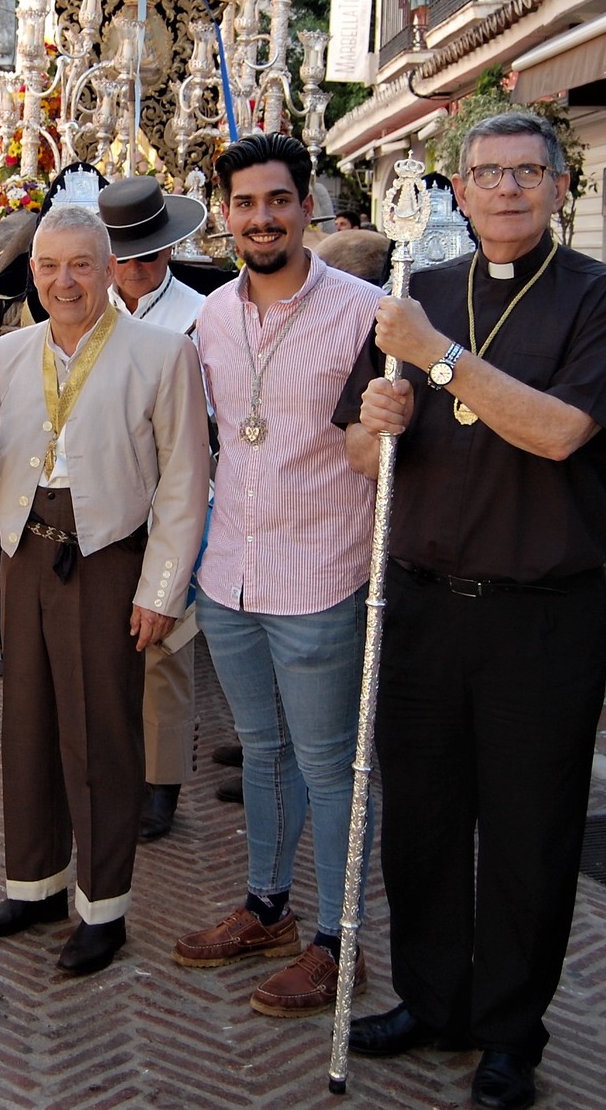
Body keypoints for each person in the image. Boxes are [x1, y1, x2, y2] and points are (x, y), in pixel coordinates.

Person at [342, 111, 606, 1110]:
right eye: (487, 173)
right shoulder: (418, 292)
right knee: (421, 825)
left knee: (527, 835)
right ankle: (433, 1002)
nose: (507, 188)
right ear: (459, 191)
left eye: (526, 172)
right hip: (423, 608)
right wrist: (374, 423)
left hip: (539, 619)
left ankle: (510, 1033)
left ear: (560, 187)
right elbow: (357, 453)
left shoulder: (600, 296)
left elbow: (558, 433)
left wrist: (435, 361)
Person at [0, 205, 207, 976]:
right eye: (50, 267)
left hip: (109, 560)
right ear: (33, 273)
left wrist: (161, 590)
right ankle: (35, 885)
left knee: (100, 737)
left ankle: (103, 906)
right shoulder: (9, 353)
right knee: (26, 728)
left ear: (108, 269)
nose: (65, 282)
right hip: (27, 555)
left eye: (81, 266)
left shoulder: (163, 354)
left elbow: (185, 483)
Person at [172, 132, 382, 1020]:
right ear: (226, 216)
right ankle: (266, 909)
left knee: (331, 765)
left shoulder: (370, 312)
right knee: (263, 750)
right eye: (245, 204)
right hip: (231, 575)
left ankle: (338, 939)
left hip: (322, 572)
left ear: (306, 206)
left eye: (278, 201)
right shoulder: (212, 316)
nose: (262, 218)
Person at [99, 176, 209, 841]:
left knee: (167, 643)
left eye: (149, 251)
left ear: (169, 249)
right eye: (123, 253)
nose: (136, 265)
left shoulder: (201, 314)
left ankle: (162, 782)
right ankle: (115, 767)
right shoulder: (87, 309)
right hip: (102, 499)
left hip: (173, 497)